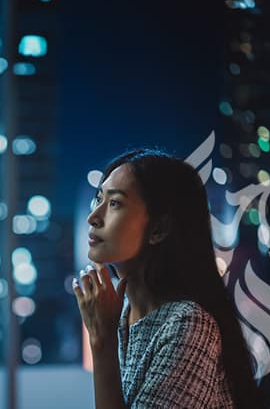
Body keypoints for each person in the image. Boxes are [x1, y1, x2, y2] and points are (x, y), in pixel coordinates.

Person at [72, 148, 260, 408]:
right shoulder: (124, 311)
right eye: (99, 199)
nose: (93, 217)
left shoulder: (189, 325)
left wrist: (101, 340)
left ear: (158, 229)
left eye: (114, 203)